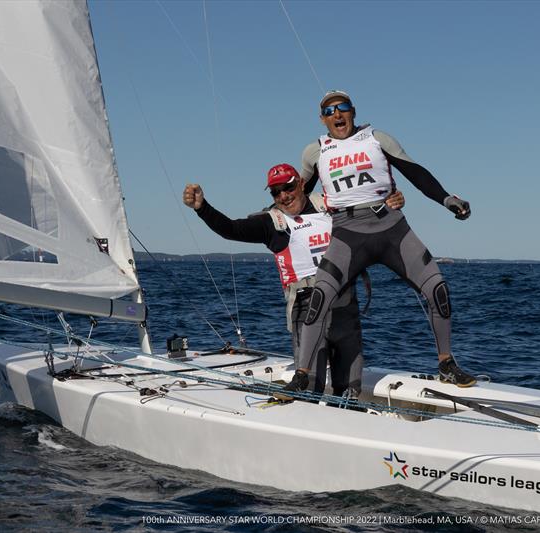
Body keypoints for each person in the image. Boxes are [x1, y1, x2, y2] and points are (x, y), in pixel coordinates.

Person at [282, 90, 476, 397]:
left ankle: (446, 364)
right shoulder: (314, 152)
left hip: (391, 229)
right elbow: (295, 198)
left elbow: (415, 172)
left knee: (436, 287)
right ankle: (303, 375)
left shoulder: (377, 138)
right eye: (329, 111)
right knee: (318, 298)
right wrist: (263, 222)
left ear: (353, 111)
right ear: (322, 119)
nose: (337, 114)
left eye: (342, 108)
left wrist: (448, 200)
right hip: (347, 235)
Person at [183, 163, 405, 399]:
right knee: (308, 386)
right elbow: (231, 229)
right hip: (306, 309)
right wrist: (201, 207)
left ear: (300, 183)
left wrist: (393, 200)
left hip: (344, 307)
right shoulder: (273, 224)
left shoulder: (330, 206)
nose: (283, 196)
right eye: (275, 192)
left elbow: (371, 210)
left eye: (287, 188)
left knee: (350, 388)